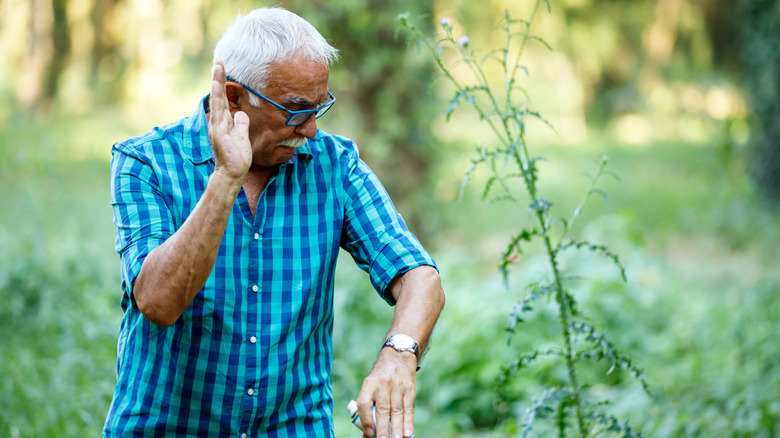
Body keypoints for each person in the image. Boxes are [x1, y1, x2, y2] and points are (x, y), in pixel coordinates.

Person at [103, 6, 445, 438]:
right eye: (296, 109)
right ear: (232, 97)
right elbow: (158, 302)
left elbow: (420, 276)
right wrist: (226, 179)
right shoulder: (145, 161)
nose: (312, 131)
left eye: (320, 108)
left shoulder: (334, 165)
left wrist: (399, 355)